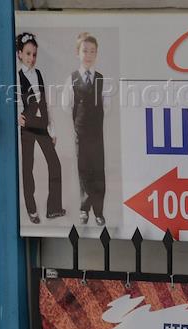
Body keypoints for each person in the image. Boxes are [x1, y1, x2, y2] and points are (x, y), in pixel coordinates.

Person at [16, 32, 64, 224]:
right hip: (27, 126)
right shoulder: (17, 76)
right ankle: (32, 210)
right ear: (20, 54)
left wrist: (52, 128)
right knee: (28, 168)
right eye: (28, 54)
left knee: (55, 164)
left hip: (42, 125)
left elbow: (45, 103)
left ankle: (53, 208)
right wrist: (17, 117)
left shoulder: (38, 74)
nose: (31, 58)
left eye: (34, 54)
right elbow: (14, 100)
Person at [67, 32, 106, 226]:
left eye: (92, 51)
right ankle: (84, 209)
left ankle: (98, 211)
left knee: (98, 171)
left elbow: (107, 105)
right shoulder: (72, 79)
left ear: (96, 53)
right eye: (85, 51)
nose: (88, 55)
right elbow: (67, 105)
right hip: (80, 134)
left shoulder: (101, 79)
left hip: (96, 135)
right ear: (78, 53)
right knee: (84, 171)